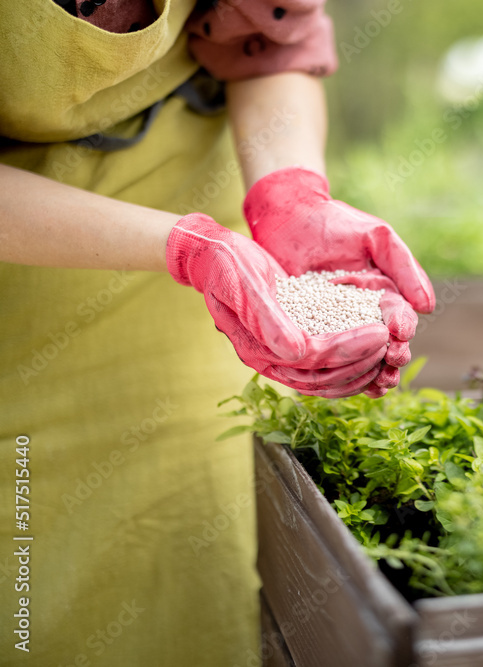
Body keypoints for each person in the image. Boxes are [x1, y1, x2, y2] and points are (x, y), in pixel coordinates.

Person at [0, 0, 435, 664]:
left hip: (195, 224)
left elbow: (268, 44)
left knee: (190, 549)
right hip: (28, 262)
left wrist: (288, 193)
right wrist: (187, 248)